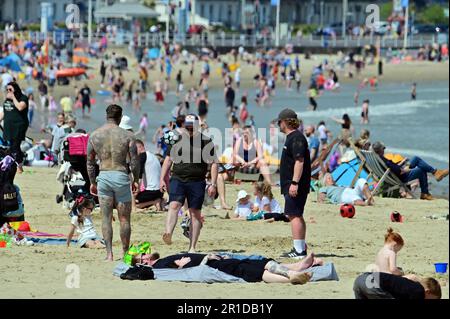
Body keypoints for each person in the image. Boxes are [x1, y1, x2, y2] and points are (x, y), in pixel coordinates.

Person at [87, 104, 140, 261]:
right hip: (120, 175)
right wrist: (136, 179)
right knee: (124, 219)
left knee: (106, 217)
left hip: (104, 175)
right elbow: (134, 161)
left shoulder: (95, 135)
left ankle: (109, 254)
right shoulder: (128, 136)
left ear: (106, 116)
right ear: (120, 117)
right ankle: (124, 253)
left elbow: (89, 163)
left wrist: (92, 182)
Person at [159, 114, 218, 253]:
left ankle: (192, 247)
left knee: (195, 213)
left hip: (197, 181)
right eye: (188, 127)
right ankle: (168, 233)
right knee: (174, 204)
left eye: (192, 128)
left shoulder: (206, 141)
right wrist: (162, 178)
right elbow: (168, 160)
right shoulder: (177, 139)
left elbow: (214, 164)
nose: (190, 130)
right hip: (178, 178)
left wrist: (213, 184)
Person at [136, 252, 319, 285]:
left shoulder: (161, 261)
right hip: (212, 264)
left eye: (142, 256)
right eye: (141, 260)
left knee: (253, 263)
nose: (144, 258)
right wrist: (205, 259)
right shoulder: (160, 266)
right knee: (252, 269)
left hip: (215, 259)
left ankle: (295, 269)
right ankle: (290, 276)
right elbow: (182, 268)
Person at [277, 109, 311, 259]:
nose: (279, 124)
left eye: (279, 122)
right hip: (291, 183)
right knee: (295, 214)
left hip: (295, 184)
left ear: (285, 122)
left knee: (294, 215)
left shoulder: (297, 138)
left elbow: (299, 161)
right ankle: (300, 247)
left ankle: (299, 251)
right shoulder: (291, 137)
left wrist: (294, 183)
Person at [372, 141, 449, 200]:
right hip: (401, 176)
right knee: (418, 164)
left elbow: (392, 167)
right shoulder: (383, 159)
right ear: (380, 150)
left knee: (418, 164)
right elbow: (397, 170)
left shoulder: (377, 159)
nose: (384, 150)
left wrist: (402, 164)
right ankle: (434, 176)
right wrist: (405, 170)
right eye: (383, 148)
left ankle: (433, 178)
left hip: (394, 175)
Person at [0, 82, 29, 173]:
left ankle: (18, 166)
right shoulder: (7, 100)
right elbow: (4, 112)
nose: (8, 91)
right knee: (12, 146)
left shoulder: (23, 98)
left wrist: (13, 98)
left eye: (10, 89)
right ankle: (18, 165)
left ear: (15, 89)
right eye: (7, 90)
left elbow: (20, 107)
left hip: (19, 126)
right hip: (9, 126)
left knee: (15, 145)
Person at [353, 272, 441, 299]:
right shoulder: (419, 291)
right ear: (428, 291)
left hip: (361, 279)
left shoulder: (409, 286)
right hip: (373, 283)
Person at [135, 139, 164, 210]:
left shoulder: (142, 156)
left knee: (133, 203)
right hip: (159, 192)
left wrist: (137, 189)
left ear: (140, 147)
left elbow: (139, 175)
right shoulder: (153, 156)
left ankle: (154, 202)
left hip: (151, 192)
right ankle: (158, 201)